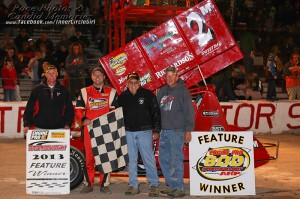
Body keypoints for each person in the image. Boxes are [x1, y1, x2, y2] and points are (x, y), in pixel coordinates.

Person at [75, 67, 118, 194]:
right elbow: (78, 110)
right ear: (92, 77)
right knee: (89, 159)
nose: (98, 77)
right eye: (95, 75)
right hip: (89, 130)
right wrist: (83, 119)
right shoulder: (84, 91)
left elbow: (116, 112)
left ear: (104, 77)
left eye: (100, 75)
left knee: (105, 159)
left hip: (105, 130)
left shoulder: (112, 92)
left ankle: (104, 184)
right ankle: (88, 184)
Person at [118, 73, 160, 197]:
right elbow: (117, 116)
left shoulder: (148, 95)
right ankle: (133, 185)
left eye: (135, 82)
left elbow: (156, 113)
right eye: (130, 82)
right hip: (128, 132)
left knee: (148, 159)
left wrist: (157, 130)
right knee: (131, 160)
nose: (133, 84)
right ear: (127, 83)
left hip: (144, 132)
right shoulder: (122, 97)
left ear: (139, 83)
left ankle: (153, 185)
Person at [156, 66, 195, 198]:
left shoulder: (183, 92)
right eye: (167, 76)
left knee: (175, 159)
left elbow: (189, 112)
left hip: (177, 130)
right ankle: (172, 186)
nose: (170, 78)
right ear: (165, 77)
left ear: (177, 76)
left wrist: (189, 130)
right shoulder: (162, 91)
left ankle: (179, 187)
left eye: (172, 75)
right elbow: (156, 111)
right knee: (163, 159)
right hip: (164, 131)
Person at [23, 65, 74, 137]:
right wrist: (27, 124)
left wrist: (67, 124)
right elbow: (29, 108)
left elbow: (69, 110)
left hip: (59, 129)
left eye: (53, 73)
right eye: (49, 73)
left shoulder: (64, 90)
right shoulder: (37, 90)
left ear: (57, 74)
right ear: (45, 74)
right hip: (40, 128)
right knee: (40, 148)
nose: (51, 75)